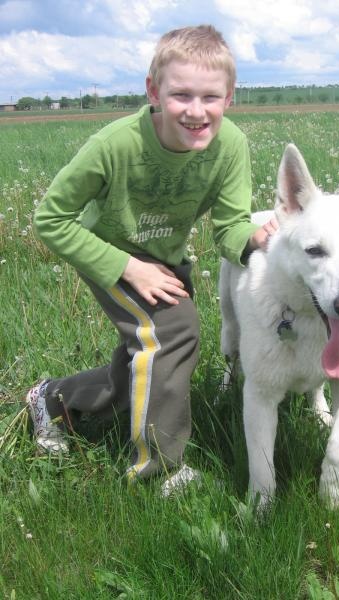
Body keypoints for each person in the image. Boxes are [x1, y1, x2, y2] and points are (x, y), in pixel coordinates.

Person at [26, 24, 277, 489]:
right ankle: (157, 470)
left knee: (141, 364)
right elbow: (50, 218)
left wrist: (256, 238)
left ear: (230, 97)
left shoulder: (231, 146)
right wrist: (126, 267)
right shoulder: (115, 145)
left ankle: (54, 399)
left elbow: (228, 228)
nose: (196, 111)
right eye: (181, 95)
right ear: (153, 90)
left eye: (210, 97)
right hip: (112, 255)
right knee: (175, 334)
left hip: (165, 260)